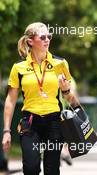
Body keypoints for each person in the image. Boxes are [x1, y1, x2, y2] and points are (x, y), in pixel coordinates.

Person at [1, 22, 78, 175]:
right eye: (42, 37)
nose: (47, 40)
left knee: (52, 170)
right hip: (30, 122)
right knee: (30, 168)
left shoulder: (60, 63)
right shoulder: (19, 67)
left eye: (49, 36)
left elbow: (70, 98)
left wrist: (66, 89)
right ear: (30, 41)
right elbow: (10, 100)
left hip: (55, 122)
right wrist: (6, 131)